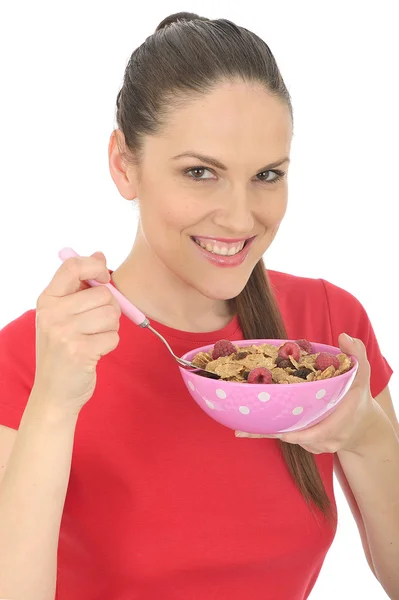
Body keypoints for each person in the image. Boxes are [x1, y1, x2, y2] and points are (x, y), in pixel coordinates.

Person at [0, 11, 397, 600]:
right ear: (123, 164)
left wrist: (366, 433)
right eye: (199, 172)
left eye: (266, 174)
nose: (241, 218)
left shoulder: (326, 332)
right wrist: (56, 405)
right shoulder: (33, 356)